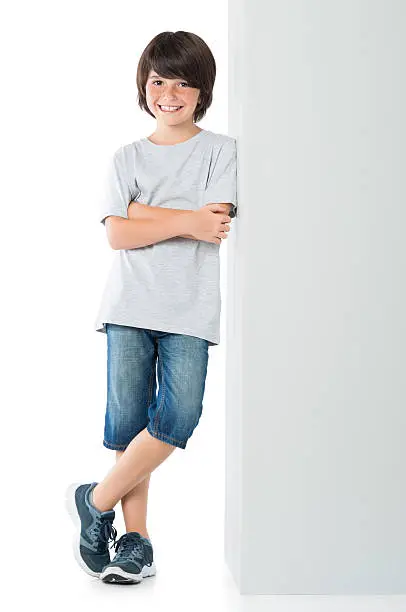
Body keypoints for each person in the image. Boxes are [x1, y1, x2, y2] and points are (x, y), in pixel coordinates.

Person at [65, 30, 238, 586]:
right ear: (145, 84)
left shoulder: (220, 150)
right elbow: (116, 235)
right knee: (127, 427)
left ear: (202, 91)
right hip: (129, 306)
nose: (169, 93)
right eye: (159, 81)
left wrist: (146, 214)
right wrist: (179, 219)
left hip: (190, 309)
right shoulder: (127, 156)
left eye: (184, 83)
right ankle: (135, 543)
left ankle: (96, 500)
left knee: (178, 418)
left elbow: (214, 225)